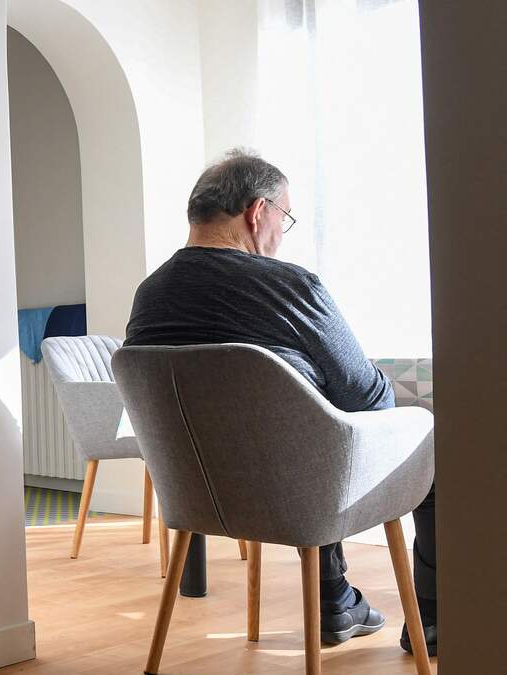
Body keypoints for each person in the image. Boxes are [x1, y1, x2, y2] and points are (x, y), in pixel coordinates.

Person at [124, 149, 437, 656]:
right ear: (257, 212)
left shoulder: (149, 295)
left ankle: (335, 599)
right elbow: (369, 398)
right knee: (426, 451)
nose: (282, 233)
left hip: (195, 495)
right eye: (285, 218)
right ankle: (440, 622)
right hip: (300, 490)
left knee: (308, 424)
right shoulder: (290, 287)